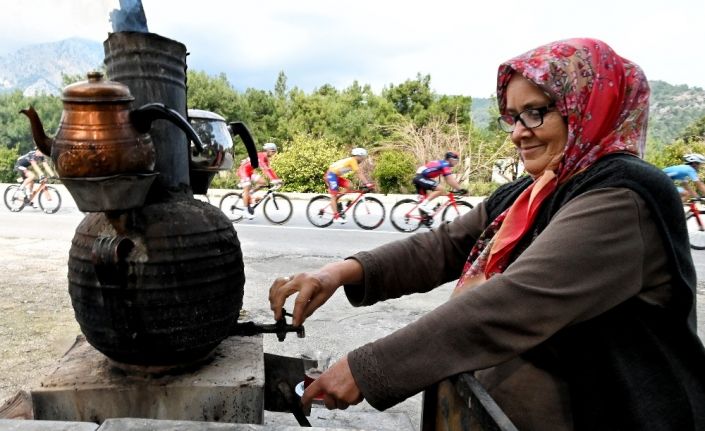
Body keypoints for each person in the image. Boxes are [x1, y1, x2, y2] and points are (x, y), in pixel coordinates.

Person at [269, 38, 705, 430]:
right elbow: (445, 246)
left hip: (617, 411)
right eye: (512, 117)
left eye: (536, 112)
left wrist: (368, 368)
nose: (518, 132)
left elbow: (516, 301)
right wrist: (338, 272)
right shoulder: (536, 187)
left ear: (590, 105)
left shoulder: (622, 196)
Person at [325, 148, 373, 224]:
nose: (363, 159)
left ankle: (338, 199)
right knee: (334, 195)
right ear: (358, 156)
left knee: (350, 185)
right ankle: (336, 216)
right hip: (330, 175)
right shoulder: (352, 160)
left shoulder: (353, 161)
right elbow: (359, 173)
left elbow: (359, 173)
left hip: (335, 176)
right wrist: (367, 183)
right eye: (363, 157)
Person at [236, 142, 282, 219]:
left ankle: (250, 194)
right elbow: (265, 169)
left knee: (263, 182)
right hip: (243, 171)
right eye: (273, 151)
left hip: (249, 172)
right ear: (268, 150)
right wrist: (274, 180)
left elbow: (269, 170)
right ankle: (245, 211)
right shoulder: (261, 156)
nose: (274, 154)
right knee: (247, 187)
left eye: (274, 152)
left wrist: (276, 179)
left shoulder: (266, 159)